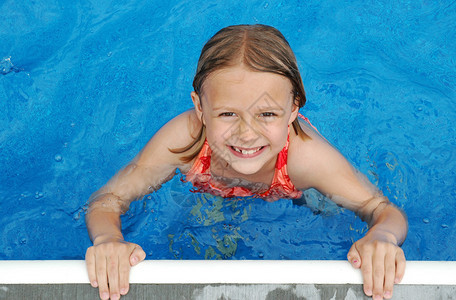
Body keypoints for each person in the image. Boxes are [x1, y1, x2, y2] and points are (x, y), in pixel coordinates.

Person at [85, 24, 407, 300]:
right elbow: (108, 199)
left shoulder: (306, 158)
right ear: (200, 108)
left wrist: (382, 238)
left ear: (293, 109)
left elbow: (382, 209)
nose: (247, 134)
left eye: (267, 114)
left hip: (290, 190)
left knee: (332, 211)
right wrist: (108, 239)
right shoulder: (183, 141)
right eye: (227, 114)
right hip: (208, 188)